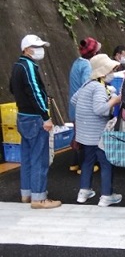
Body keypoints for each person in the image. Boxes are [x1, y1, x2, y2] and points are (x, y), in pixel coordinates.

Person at [9, 34, 61, 209]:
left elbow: (12, 88)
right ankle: (39, 198)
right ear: (26, 49)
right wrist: (45, 117)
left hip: (22, 116)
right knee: (40, 158)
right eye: (36, 46)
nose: (40, 50)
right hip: (35, 119)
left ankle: (27, 194)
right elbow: (36, 92)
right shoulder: (29, 66)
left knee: (28, 157)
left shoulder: (17, 66)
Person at [71, 54, 122, 207]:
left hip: (85, 133)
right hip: (99, 134)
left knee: (87, 161)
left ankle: (83, 192)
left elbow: (74, 100)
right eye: (111, 70)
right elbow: (100, 109)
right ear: (103, 72)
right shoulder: (99, 88)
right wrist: (114, 100)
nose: (112, 73)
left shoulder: (88, 84)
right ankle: (107, 195)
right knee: (106, 163)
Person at [68, 37, 101, 173]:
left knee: (77, 134)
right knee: (84, 136)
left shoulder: (77, 62)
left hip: (74, 105)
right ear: (93, 53)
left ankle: (74, 163)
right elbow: (87, 85)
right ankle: (84, 165)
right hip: (82, 106)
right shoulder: (87, 65)